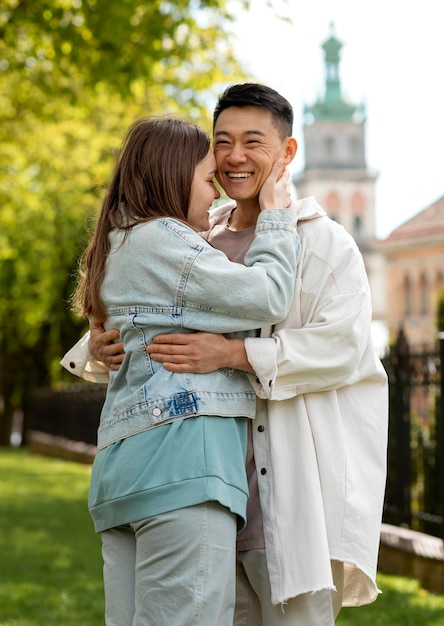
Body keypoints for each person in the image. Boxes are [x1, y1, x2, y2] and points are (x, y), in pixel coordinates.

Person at [87, 84, 389, 626]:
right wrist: (96, 342)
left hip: (287, 506)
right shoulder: (195, 236)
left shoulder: (324, 243)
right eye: (222, 142)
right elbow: (150, 311)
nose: (234, 157)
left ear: (288, 153)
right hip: (199, 487)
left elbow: (341, 348)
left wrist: (232, 353)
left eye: (254, 141)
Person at [68, 115, 301, 626]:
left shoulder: (118, 240)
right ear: (174, 179)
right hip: (181, 471)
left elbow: (129, 330)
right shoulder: (166, 237)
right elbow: (267, 296)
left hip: (123, 480)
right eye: (205, 180)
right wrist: (277, 219)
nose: (214, 194)